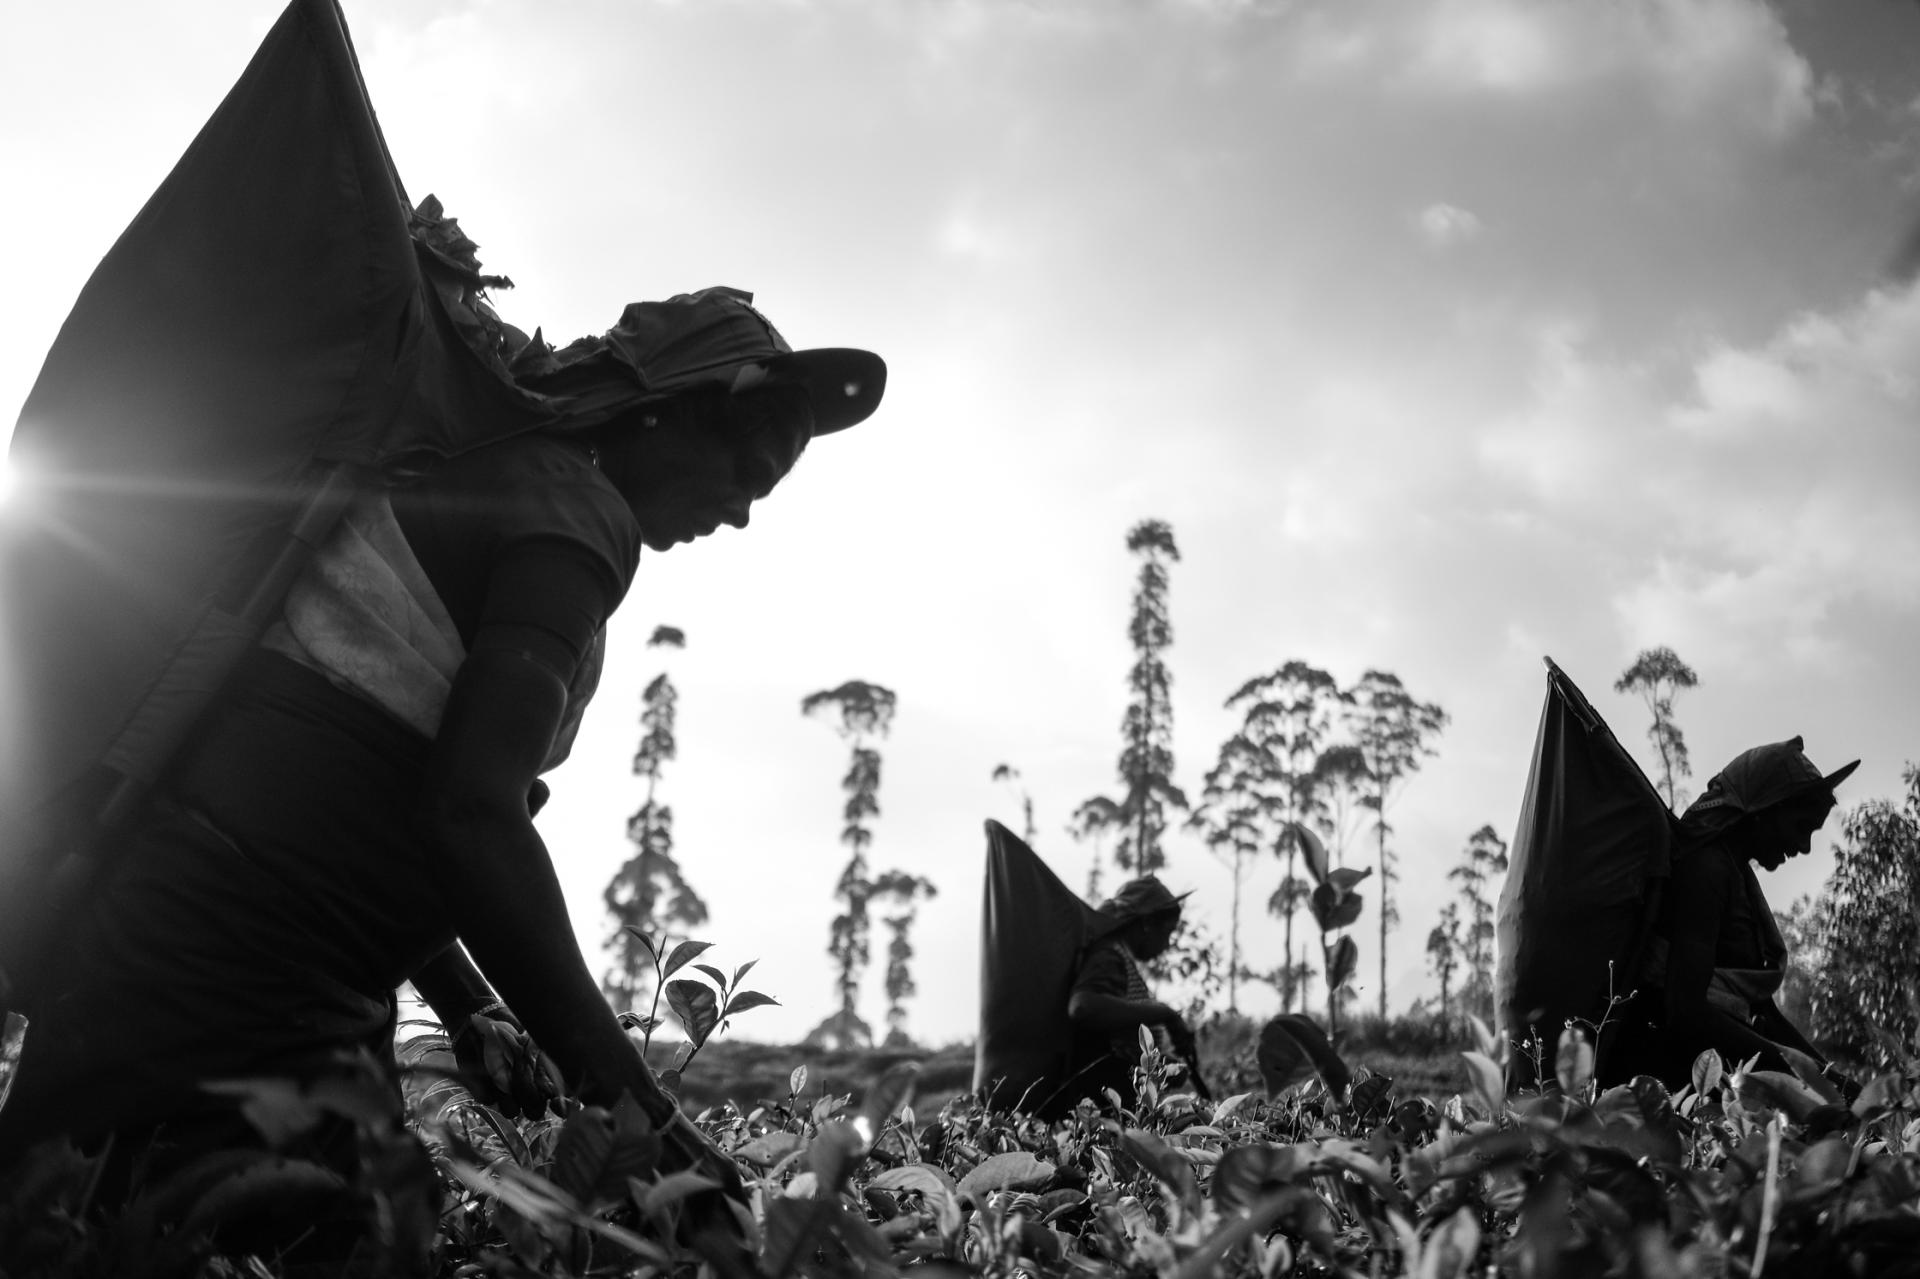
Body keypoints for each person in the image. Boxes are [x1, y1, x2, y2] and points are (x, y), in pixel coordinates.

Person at [0, 287, 884, 1245]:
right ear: (666, 407)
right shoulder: (574, 515)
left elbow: (367, 774)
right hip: (227, 967)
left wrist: (470, 1008)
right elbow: (470, 817)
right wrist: (649, 1120)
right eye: (745, 468)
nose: (745, 511)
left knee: (138, 1220)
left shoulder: (512, 481)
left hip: (228, 953)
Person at [1608, 737, 1857, 1090]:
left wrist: (1834, 1080)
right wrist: (1814, 1077)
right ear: (1763, 811)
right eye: (1801, 826)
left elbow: (1764, 1013)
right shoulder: (1705, 869)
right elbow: (1685, 1013)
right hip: (1666, 1081)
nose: (1804, 846)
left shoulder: (1733, 875)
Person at [1061, 876, 1201, 1111]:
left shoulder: (1120, 957)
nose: (1167, 944)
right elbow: (1083, 1007)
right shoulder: (1108, 955)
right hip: (1101, 1107)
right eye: (1166, 932)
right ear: (1146, 924)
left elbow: (1122, 1043)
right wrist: (1164, 1013)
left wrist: (1164, 1067)